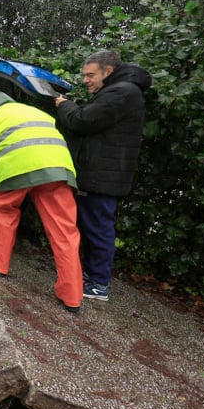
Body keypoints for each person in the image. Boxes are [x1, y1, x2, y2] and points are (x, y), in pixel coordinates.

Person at [0, 90, 83, 312]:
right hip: (59, 170)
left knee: (3, 211)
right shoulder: (39, 113)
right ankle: (72, 297)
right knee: (65, 231)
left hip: (18, 169)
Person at [55, 50, 150, 302]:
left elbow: (83, 121)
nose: (86, 80)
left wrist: (65, 105)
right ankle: (92, 277)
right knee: (93, 227)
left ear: (107, 72)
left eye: (90, 75)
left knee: (98, 229)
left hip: (104, 177)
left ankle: (98, 284)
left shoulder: (122, 92)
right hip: (101, 174)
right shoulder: (119, 91)